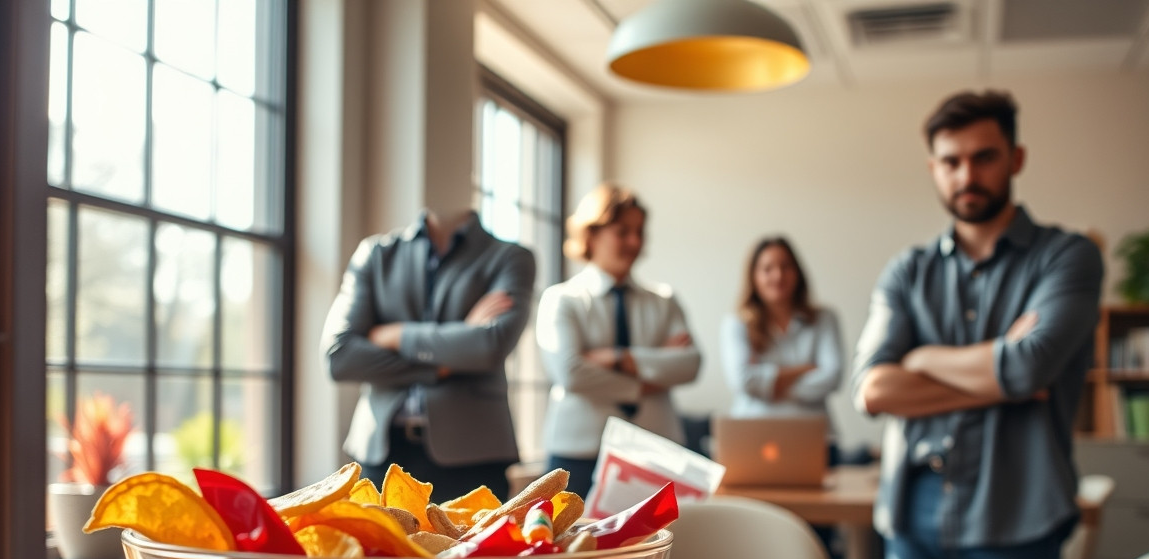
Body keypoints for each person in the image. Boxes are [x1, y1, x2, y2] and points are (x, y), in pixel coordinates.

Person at [849, 90, 1103, 559]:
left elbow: (1033, 367)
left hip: (1018, 516)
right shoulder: (909, 270)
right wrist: (994, 371)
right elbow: (872, 388)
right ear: (934, 169)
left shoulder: (1067, 258)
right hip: (914, 517)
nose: (968, 176)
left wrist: (923, 360)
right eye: (951, 161)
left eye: (984, 157)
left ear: (1014, 158)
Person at [321, 208, 534, 499]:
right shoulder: (375, 253)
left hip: (475, 457)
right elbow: (339, 357)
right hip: (380, 454)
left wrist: (394, 335)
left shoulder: (510, 256)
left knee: (479, 545)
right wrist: (447, 357)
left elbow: (489, 347)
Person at [537, 184, 701, 498]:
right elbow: (570, 372)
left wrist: (617, 358)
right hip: (577, 454)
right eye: (622, 231)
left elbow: (689, 365)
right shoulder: (561, 299)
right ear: (592, 233)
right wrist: (647, 379)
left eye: (640, 231)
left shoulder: (665, 301)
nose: (635, 242)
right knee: (574, 546)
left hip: (659, 451)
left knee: (664, 546)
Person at [720, 236, 845, 460]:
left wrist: (767, 385)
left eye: (785, 267)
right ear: (754, 277)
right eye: (767, 269)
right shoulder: (737, 323)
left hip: (815, 441)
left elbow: (832, 377)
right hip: (752, 441)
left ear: (797, 272)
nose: (778, 276)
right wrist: (803, 370)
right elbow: (743, 380)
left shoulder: (824, 319)